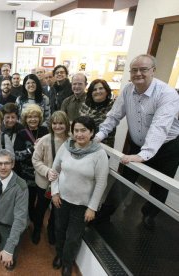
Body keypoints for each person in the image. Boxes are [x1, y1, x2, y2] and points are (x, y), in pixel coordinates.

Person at [95, 54, 179, 229]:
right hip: (137, 144)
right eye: (134, 70)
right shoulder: (127, 90)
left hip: (167, 148)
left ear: (153, 71)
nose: (138, 73)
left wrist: (144, 155)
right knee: (124, 180)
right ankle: (104, 214)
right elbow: (114, 116)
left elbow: (160, 127)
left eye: (143, 69)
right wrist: (99, 135)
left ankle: (149, 215)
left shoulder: (167, 94)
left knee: (160, 185)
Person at [51, 116, 109, 276]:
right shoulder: (66, 146)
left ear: (91, 132)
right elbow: (54, 170)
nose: (79, 134)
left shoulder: (99, 154)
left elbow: (101, 182)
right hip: (61, 200)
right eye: (76, 130)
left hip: (82, 205)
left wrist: (92, 207)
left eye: (83, 130)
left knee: (73, 236)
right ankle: (59, 255)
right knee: (60, 230)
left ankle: (67, 262)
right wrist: (54, 192)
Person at [32, 111, 70, 245]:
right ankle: (37, 229)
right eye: (54, 123)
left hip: (63, 184)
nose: (58, 126)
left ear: (66, 124)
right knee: (40, 208)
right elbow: (36, 160)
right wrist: (47, 171)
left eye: (61, 123)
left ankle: (51, 229)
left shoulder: (72, 141)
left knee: (57, 210)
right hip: (44, 182)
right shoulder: (44, 140)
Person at [15, 104, 48, 233]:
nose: (33, 119)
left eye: (35, 116)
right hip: (27, 175)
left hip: (42, 174)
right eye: (29, 117)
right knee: (28, 202)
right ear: (25, 119)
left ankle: (38, 227)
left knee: (41, 204)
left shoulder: (45, 131)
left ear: (40, 118)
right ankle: (28, 223)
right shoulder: (21, 133)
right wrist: (32, 148)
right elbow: (17, 156)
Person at [79, 79, 115, 147]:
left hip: (105, 146)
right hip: (85, 145)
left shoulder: (113, 106)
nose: (98, 91)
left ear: (107, 91)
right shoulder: (85, 105)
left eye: (101, 88)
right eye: (94, 89)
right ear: (91, 93)